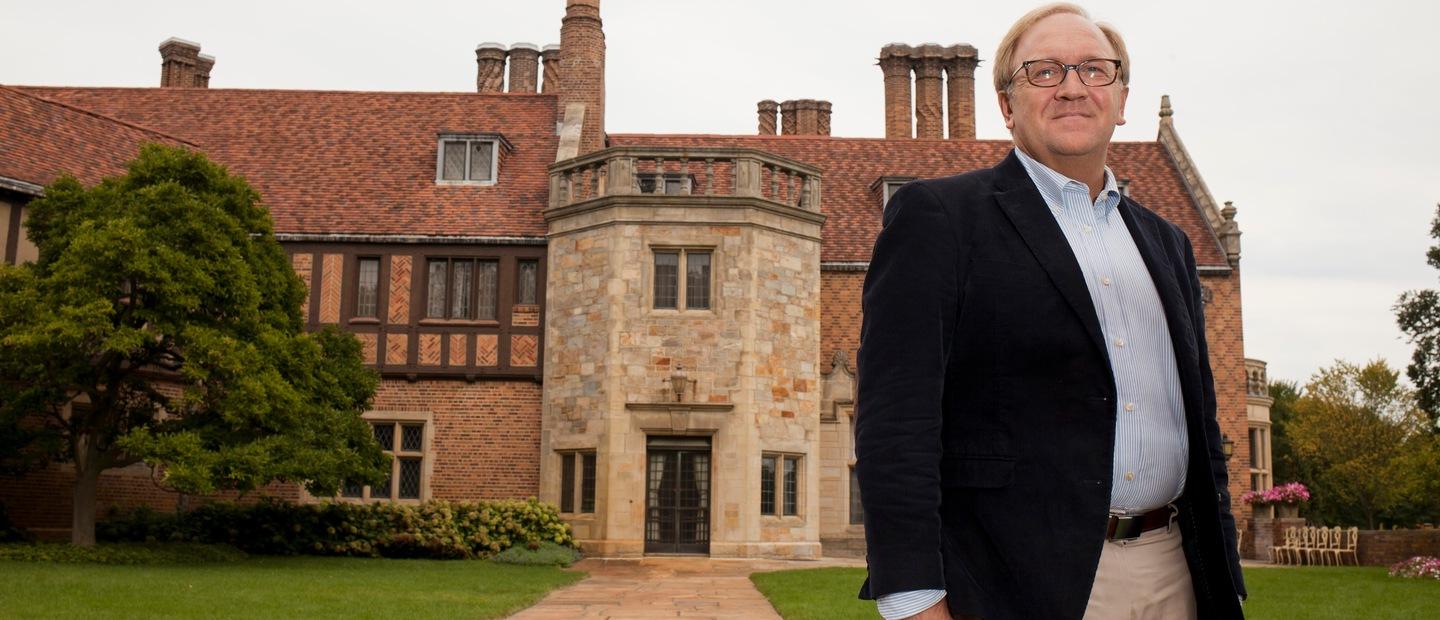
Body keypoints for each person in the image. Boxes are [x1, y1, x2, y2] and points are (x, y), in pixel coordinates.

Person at [853, 4, 1246, 619]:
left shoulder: (1167, 240)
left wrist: (1222, 564)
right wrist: (912, 599)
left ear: (1121, 100)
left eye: (1095, 70)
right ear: (1008, 106)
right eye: (1044, 72)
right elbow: (896, 422)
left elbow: (1198, 417)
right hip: (1019, 577)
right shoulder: (942, 218)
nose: (1071, 87)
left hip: (1176, 570)